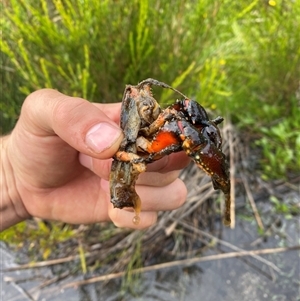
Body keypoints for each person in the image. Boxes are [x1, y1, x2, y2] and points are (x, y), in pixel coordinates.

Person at [1, 89, 190, 231]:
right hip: (124, 163)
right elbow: (143, 143)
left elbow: (149, 135)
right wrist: (14, 182)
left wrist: (16, 183)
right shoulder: (130, 130)